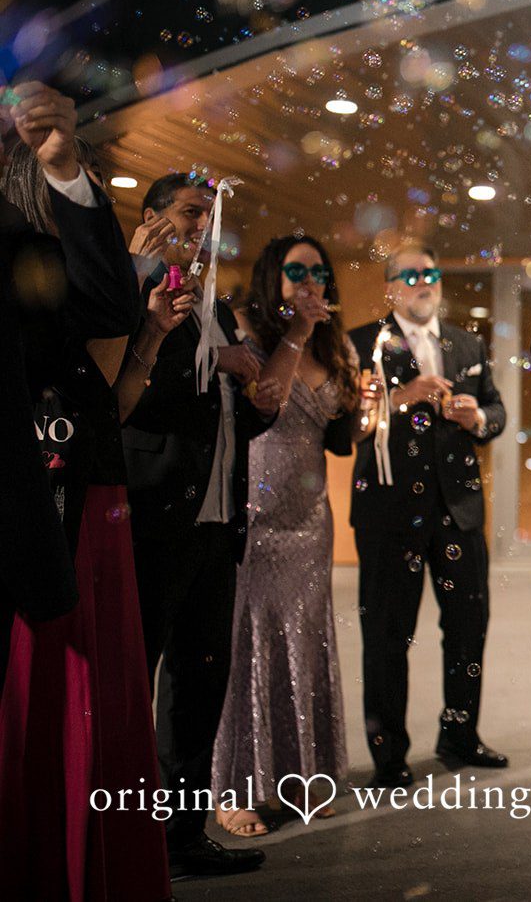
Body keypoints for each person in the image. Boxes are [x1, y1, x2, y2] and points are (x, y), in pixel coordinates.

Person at [0, 89, 171, 900]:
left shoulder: (37, 245)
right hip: (36, 500)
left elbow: (108, 306)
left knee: (74, 703)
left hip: (60, 496)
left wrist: (66, 171)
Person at [122, 171, 272, 879]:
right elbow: (129, 394)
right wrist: (219, 359)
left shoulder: (220, 306)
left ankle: (182, 835)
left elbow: (232, 415)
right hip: (155, 516)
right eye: (189, 213)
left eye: (210, 217)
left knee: (200, 682)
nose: (203, 228)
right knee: (137, 681)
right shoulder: (137, 291)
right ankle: (125, 839)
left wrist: (261, 397)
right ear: (152, 217)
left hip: (217, 523)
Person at [210, 236, 364, 835]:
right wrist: (296, 330)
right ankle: (234, 788)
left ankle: (297, 775)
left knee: (304, 644)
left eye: (319, 272)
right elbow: (262, 403)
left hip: (309, 522)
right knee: (247, 646)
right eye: (296, 270)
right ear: (272, 275)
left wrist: (362, 407)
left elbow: (338, 441)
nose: (309, 281)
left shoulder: (335, 344)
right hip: (255, 512)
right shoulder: (246, 332)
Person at [348, 243, 507, 789]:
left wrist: (476, 416)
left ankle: (460, 735)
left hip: (458, 510)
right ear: (389, 286)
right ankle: (389, 754)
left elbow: (497, 409)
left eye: (431, 273)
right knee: (387, 635)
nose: (424, 283)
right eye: (410, 275)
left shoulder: (467, 342)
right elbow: (347, 426)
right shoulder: (361, 343)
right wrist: (403, 396)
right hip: (389, 512)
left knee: (467, 629)